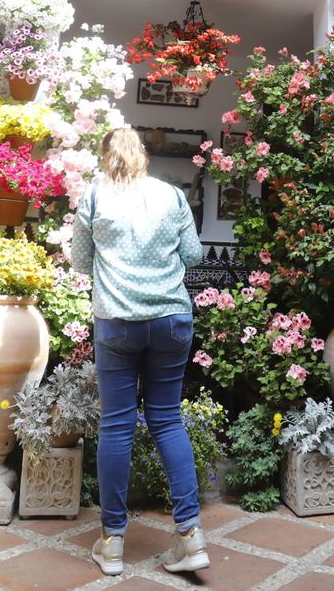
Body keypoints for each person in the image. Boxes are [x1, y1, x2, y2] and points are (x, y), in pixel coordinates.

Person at [68, 127, 209, 578]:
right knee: (167, 421)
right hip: (171, 321)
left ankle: (111, 543)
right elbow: (193, 255)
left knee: (116, 425)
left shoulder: (94, 197)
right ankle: (190, 537)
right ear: (143, 156)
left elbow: (79, 260)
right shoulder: (171, 195)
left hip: (118, 323)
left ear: (105, 157)